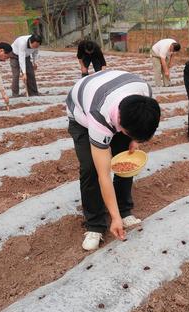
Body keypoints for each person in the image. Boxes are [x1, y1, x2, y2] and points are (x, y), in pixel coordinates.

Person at [66, 70, 161, 250]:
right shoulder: (99, 116)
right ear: (120, 122)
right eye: (129, 133)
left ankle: (124, 209)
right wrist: (114, 218)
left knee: (125, 160)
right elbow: (104, 175)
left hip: (113, 91)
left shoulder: (144, 94)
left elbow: (141, 124)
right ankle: (94, 224)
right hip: (81, 114)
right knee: (91, 169)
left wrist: (134, 140)